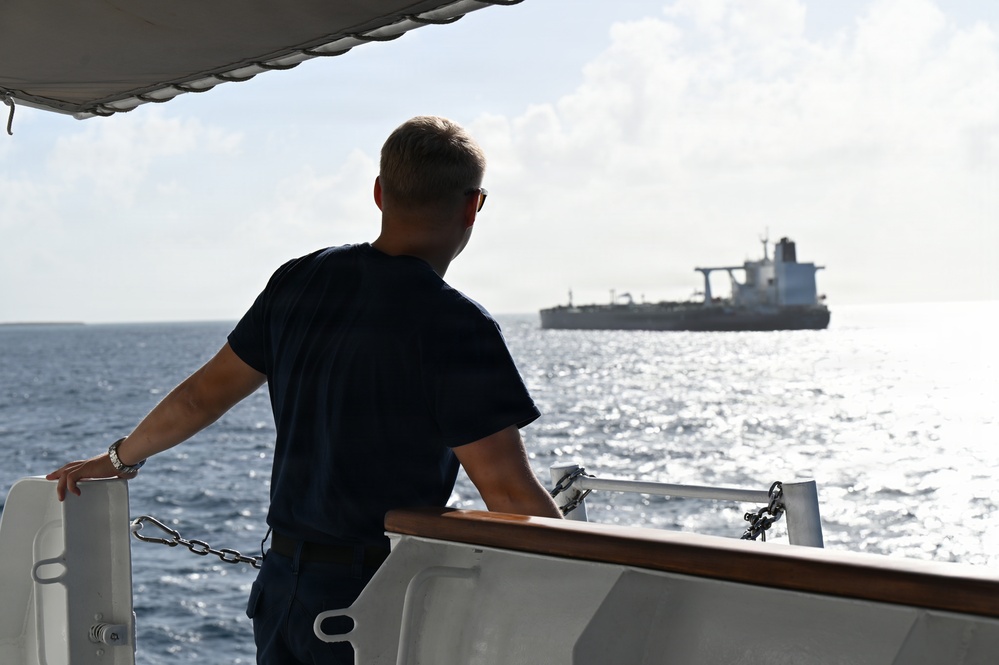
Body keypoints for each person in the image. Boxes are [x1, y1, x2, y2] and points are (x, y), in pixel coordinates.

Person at [46, 115, 563, 665]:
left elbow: (203, 396)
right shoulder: (457, 326)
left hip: (283, 591)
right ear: (472, 207)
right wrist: (595, 581)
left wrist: (118, 458)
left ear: (379, 193)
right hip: (372, 601)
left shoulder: (299, 281)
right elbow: (508, 496)